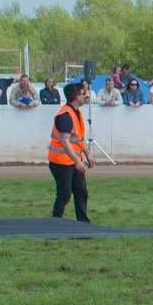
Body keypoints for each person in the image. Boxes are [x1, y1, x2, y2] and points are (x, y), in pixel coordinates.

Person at [48, 82, 93, 222]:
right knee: (64, 195)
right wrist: (78, 162)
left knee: (81, 192)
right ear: (76, 97)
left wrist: (87, 154)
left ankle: (83, 223)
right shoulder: (66, 115)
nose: (84, 95)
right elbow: (65, 141)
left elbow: (78, 139)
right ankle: (55, 224)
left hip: (72, 161)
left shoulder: (76, 113)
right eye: (82, 93)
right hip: (61, 162)